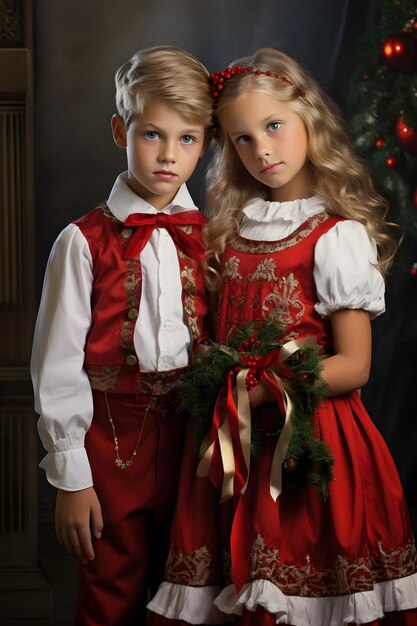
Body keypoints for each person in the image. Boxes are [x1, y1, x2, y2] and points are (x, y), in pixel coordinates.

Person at [147, 48, 417, 626]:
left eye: (273, 126)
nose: (262, 150)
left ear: (309, 121)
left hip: (310, 446)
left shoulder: (335, 235)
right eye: (242, 139)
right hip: (229, 445)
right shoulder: (230, 230)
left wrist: (267, 390)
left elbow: (354, 365)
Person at [31, 45, 213, 626]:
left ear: (204, 142)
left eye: (187, 139)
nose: (168, 155)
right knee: (111, 589)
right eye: (152, 134)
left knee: (190, 588)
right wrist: (71, 477)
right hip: (112, 438)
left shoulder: (212, 236)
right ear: (120, 130)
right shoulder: (81, 241)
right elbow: (57, 363)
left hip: (197, 438)